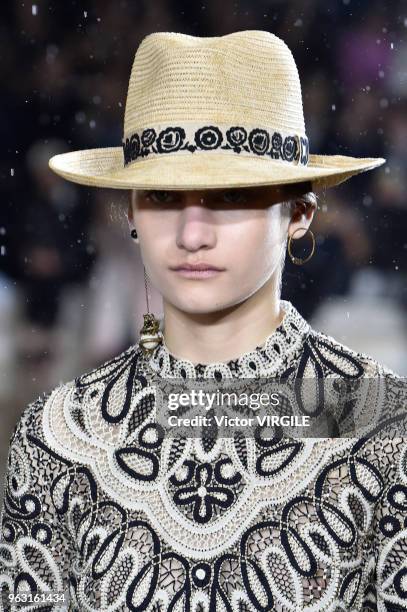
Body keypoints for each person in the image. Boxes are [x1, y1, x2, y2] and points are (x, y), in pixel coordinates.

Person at [1, 30, 406, 611]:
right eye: (164, 196)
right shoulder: (58, 437)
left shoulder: (382, 429)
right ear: (132, 209)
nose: (192, 234)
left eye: (230, 195)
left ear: (299, 212)